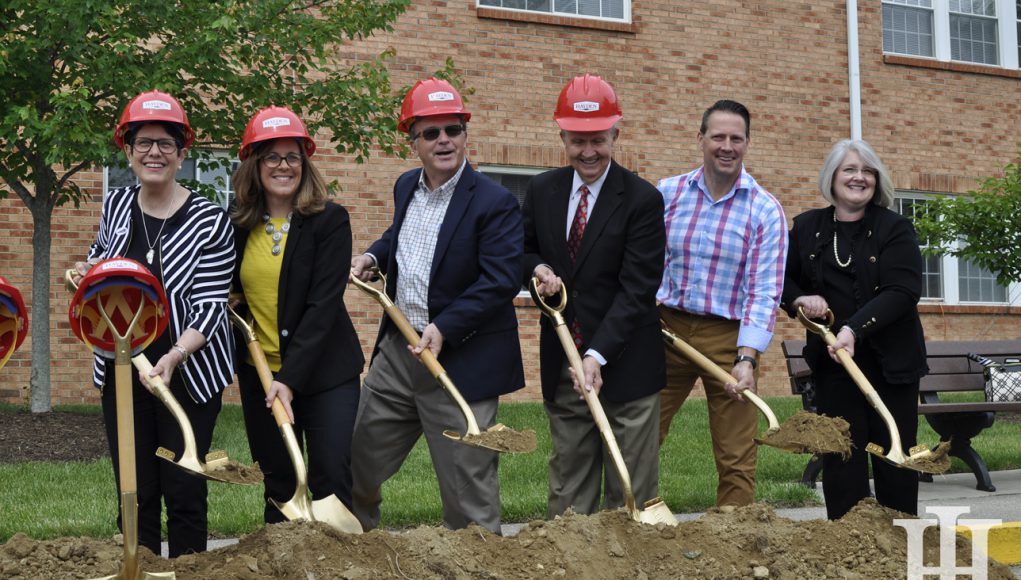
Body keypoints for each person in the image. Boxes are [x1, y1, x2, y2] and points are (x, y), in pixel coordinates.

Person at [349, 78, 524, 534]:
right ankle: (358, 551)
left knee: (468, 489)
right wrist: (373, 255)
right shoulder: (407, 186)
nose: (444, 140)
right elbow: (400, 240)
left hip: (461, 361)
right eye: (431, 132)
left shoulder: (496, 202)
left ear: (466, 134)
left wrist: (445, 327)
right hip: (398, 353)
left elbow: (500, 280)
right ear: (413, 142)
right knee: (358, 460)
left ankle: (478, 564)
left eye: (453, 129)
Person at [73, 90, 235, 556]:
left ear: (183, 153)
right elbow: (100, 262)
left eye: (166, 143)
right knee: (135, 488)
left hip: (186, 369)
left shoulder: (209, 220)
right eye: (144, 142)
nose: (155, 153)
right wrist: (88, 274)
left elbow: (209, 305)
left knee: (184, 489)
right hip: (123, 369)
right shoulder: (117, 204)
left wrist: (173, 356)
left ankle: (188, 570)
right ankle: (137, 567)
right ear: (128, 150)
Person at [523, 74, 666, 516]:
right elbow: (522, 249)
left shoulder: (642, 199)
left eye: (598, 140)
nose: (588, 152)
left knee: (630, 497)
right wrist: (537, 268)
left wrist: (597, 355)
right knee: (568, 496)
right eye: (578, 140)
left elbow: (638, 288)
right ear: (563, 136)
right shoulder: (541, 190)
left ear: (615, 135)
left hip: (626, 365)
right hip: (565, 362)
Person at [230, 106, 364, 524]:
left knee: (329, 478)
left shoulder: (329, 221)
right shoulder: (237, 224)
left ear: (305, 164)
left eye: (293, 157)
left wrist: (290, 379)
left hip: (325, 375)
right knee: (280, 485)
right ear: (255, 164)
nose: (283, 166)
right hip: (263, 376)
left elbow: (322, 307)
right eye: (272, 156)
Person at [781, 139, 925, 519]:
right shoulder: (808, 227)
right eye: (850, 169)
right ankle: (848, 548)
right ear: (832, 177)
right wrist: (800, 301)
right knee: (841, 454)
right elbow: (781, 281)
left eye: (867, 171)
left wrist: (854, 330)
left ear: (877, 181)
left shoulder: (895, 228)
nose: (859, 177)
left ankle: (898, 541)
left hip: (892, 364)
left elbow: (903, 290)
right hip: (835, 367)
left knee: (894, 454)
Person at [657, 99, 787, 507]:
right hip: (665, 331)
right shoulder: (666, 193)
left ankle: (734, 538)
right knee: (638, 435)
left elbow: (764, 290)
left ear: (747, 143)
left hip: (729, 339)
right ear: (700, 139)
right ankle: (630, 523)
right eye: (718, 137)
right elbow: (642, 265)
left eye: (736, 138)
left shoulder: (765, 210)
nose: (726, 146)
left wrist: (747, 359)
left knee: (736, 454)